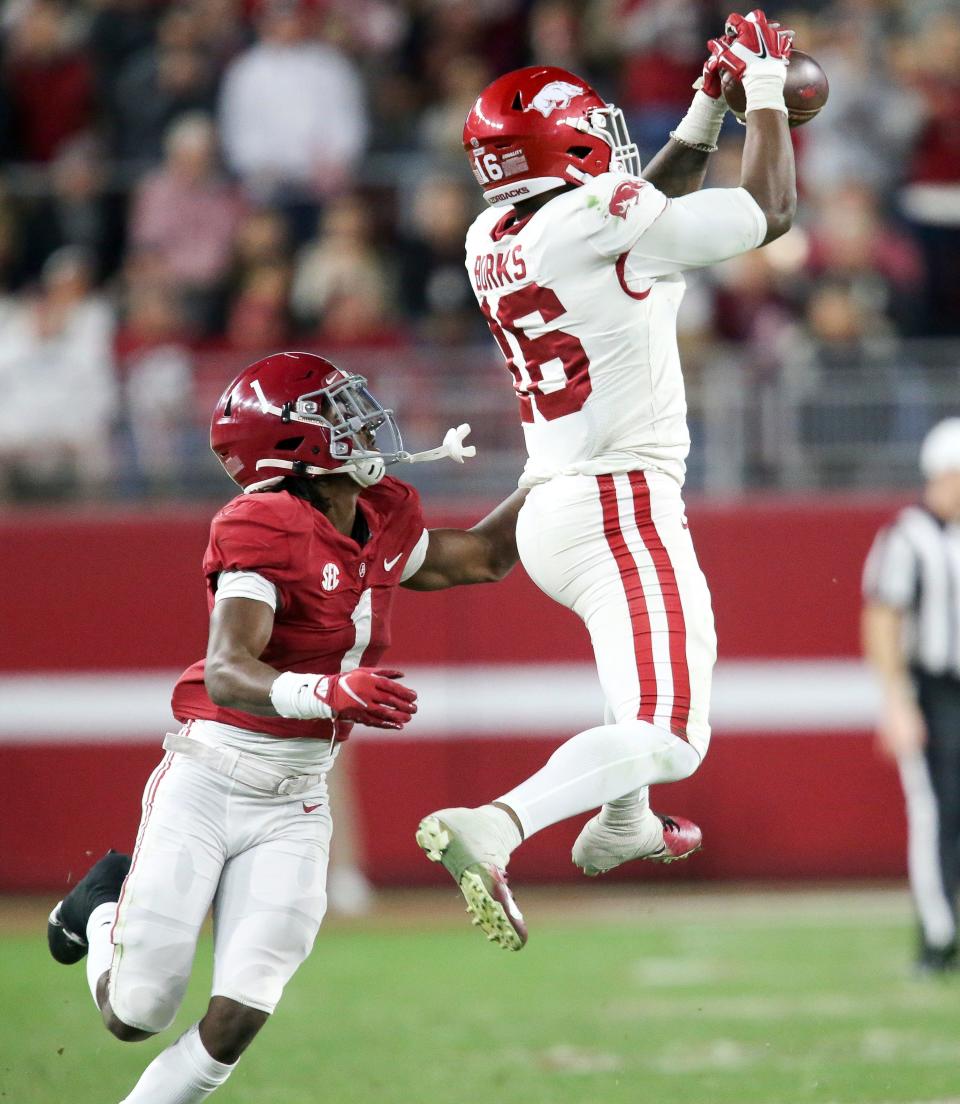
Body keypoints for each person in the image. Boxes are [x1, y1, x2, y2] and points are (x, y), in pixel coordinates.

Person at [45, 350, 527, 1103]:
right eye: (336, 413)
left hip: (297, 799)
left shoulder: (382, 511)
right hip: (210, 775)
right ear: (291, 443)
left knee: (238, 1017)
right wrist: (329, 691)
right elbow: (231, 667)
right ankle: (99, 905)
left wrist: (559, 473)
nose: (362, 422)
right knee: (137, 1013)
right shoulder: (261, 522)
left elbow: (486, 557)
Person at [416, 9, 798, 949]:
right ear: (569, 142)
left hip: (552, 503)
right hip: (619, 501)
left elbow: (639, 211)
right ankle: (496, 825)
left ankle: (624, 819)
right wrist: (762, 90)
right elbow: (770, 214)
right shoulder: (597, 220)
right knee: (673, 732)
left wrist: (704, 113)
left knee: (640, 708)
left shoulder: (492, 238)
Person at [862, 418, 960, 975]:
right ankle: (939, 936)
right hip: (933, 688)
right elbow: (882, 617)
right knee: (935, 811)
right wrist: (895, 701)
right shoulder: (908, 536)